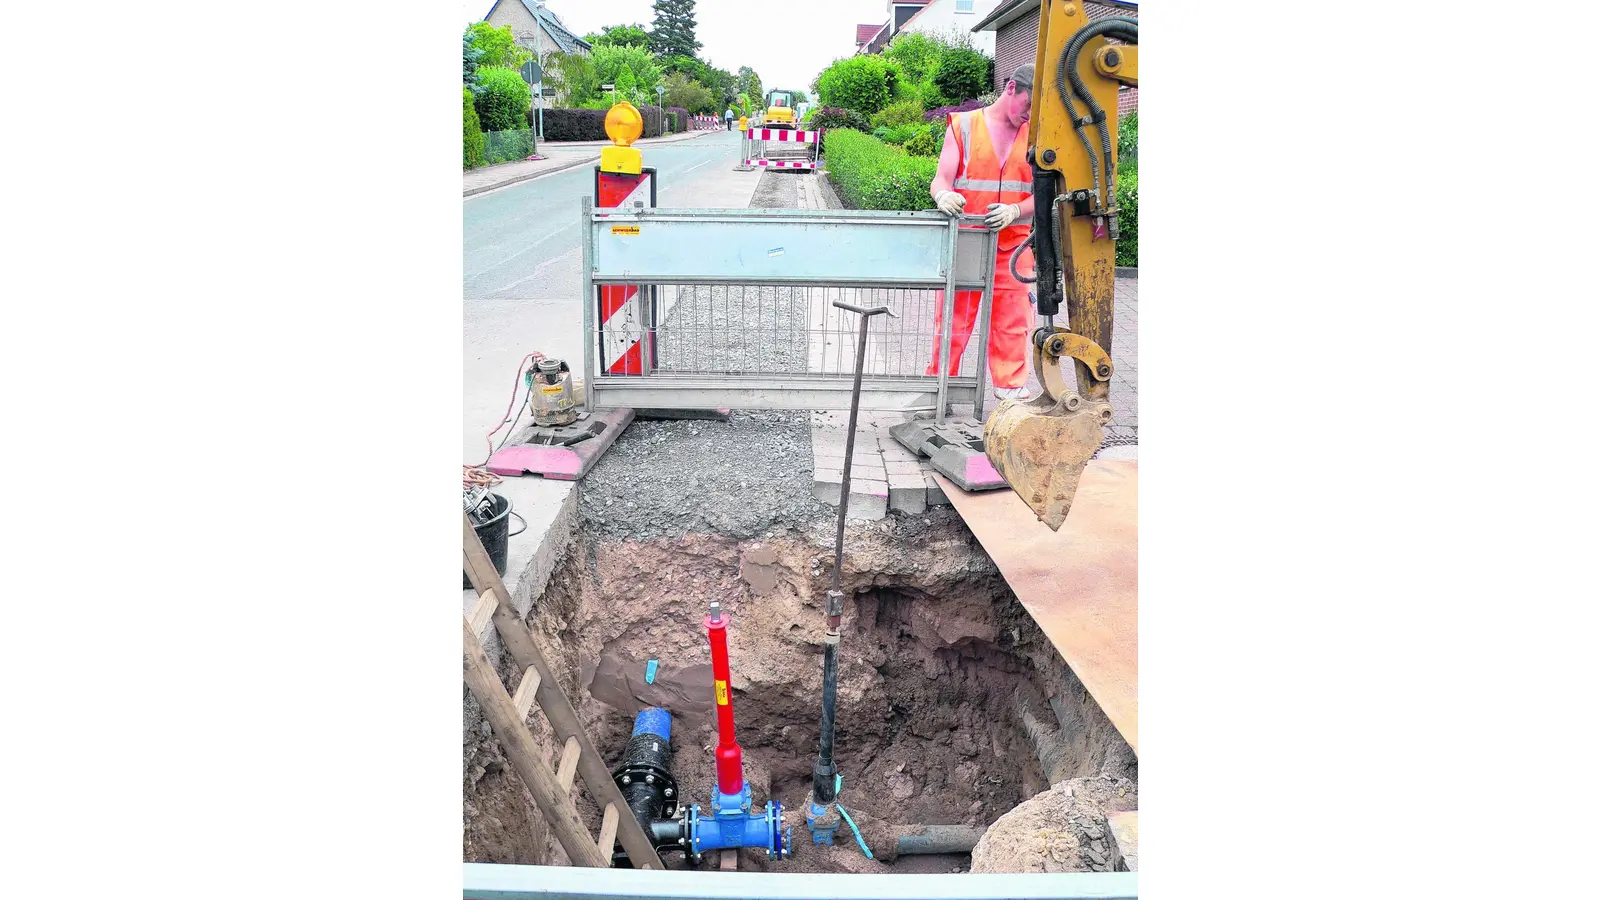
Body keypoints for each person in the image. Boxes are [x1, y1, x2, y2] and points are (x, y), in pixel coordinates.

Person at [927, 65, 1036, 401]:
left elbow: (1046, 193)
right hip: (969, 240)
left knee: (1012, 322)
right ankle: (939, 387)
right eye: (1028, 105)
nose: (1030, 114)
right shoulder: (964, 126)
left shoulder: (1039, 133)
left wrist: (1017, 210)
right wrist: (943, 194)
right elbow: (942, 177)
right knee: (954, 322)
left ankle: (1010, 391)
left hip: (1015, 247)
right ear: (1011, 89)